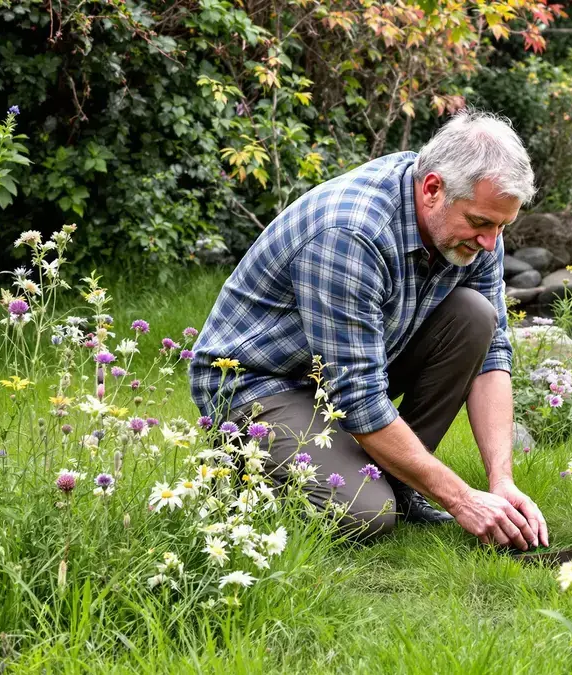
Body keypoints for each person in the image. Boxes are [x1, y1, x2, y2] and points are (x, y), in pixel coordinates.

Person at [190, 110, 548, 551]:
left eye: (501, 226)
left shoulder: (473, 219)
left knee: (474, 316)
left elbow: (492, 353)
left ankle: (403, 486)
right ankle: (239, 472)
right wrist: (462, 499)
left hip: (347, 367)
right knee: (366, 514)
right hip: (260, 384)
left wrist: (501, 482)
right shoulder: (351, 233)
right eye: (480, 223)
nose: (492, 242)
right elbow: (358, 396)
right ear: (433, 188)